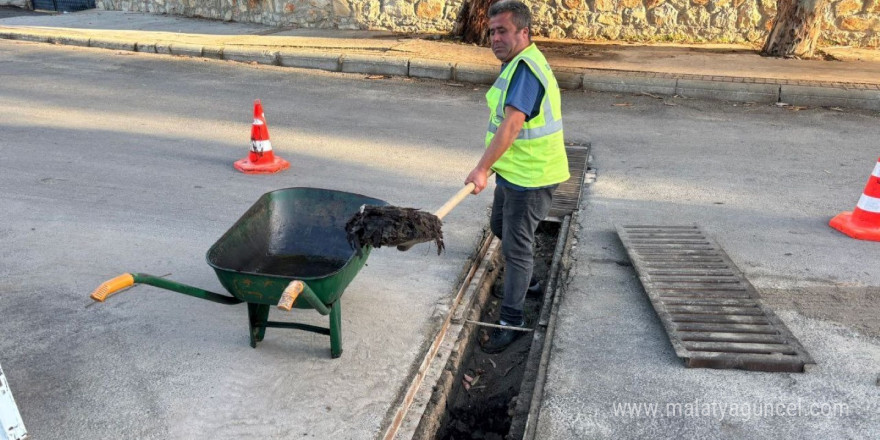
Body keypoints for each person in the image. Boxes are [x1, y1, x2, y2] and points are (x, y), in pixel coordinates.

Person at [465, 0, 570, 354]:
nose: (495, 38)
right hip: (514, 173)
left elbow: (512, 125)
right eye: (492, 31)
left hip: (532, 177)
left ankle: (512, 318)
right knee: (500, 226)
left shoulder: (525, 69)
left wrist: (481, 168)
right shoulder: (516, 63)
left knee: (516, 245)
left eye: (503, 31)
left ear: (523, 32)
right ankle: (528, 283)